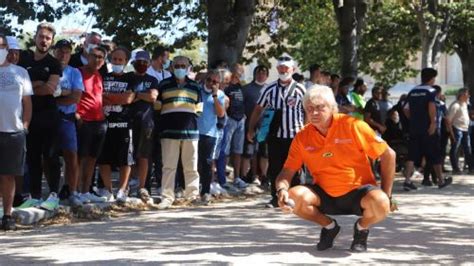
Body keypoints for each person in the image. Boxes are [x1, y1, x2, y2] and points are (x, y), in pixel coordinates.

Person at [275, 86, 396, 252]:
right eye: (310, 109)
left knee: (381, 203)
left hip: (358, 192)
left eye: (320, 107)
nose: (314, 113)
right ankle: (330, 227)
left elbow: (388, 154)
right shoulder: (302, 136)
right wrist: (281, 189)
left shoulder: (353, 125)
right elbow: (287, 171)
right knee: (294, 196)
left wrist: (387, 194)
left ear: (333, 108)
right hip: (324, 194)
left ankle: (361, 229)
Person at [247, 54, 306, 208]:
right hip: (275, 135)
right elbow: (258, 108)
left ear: (293, 69)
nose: (283, 70)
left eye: (286, 68)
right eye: (280, 67)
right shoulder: (270, 89)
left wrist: (308, 131)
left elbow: (308, 111)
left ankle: (296, 196)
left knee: (296, 167)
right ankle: (276, 197)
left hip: (296, 135)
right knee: (275, 166)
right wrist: (251, 128)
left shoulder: (300, 89)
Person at [18, 22, 62, 203]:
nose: (44, 41)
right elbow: (17, 86)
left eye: (48, 38)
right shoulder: (23, 58)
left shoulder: (53, 63)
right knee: (32, 157)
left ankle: (53, 195)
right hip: (28, 116)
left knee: (50, 156)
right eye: (41, 36)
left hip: (49, 116)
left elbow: (49, 89)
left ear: (52, 41)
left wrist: (28, 86)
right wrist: (37, 84)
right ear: (35, 37)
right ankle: (35, 196)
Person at [156, 56, 202, 209]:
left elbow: (199, 109)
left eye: (183, 65)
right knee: (169, 166)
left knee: (191, 167)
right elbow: (157, 107)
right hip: (169, 131)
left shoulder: (195, 86)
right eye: (177, 65)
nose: (180, 68)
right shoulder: (163, 84)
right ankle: (167, 197)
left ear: (188, 67)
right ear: (172, 67)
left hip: (191, 131)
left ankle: (192, 195)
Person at [0, 34, 33, 231]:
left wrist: (25, 125)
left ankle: (7, 215)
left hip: (13, 131)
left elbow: (27, 103)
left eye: (2, 45)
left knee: (8, 175)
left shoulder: (20, 72)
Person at [403, 68, 452, 190]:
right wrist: (433, 123)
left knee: (411, 155)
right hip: (428, 128)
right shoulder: (431, 91)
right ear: (431, 79)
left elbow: (405, 109)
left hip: (414, 128)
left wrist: (414, 120)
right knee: (434, 153)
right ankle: (440, 181)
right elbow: (431, 107)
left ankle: (407, 181)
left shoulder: (413, 91)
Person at [97, 47, 136, 203]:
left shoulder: (130, 78)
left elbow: (128, 99)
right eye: (114, 59)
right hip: (104, 123)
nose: (117, 62)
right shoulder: (103, 76)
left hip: (124, 124)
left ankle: (122, 189)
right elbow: (98, 97)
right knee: (104, 159)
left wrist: (109, 97)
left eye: (120, 60)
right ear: (110, 61)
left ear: (126, 62)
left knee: (125, 160)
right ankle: (108, 190)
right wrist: (117, 97)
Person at [52, 40, 84, 205]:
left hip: (67, 119)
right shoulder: (48, 69)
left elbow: (76, 97)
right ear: (54, 52)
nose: (63, 54)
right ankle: (52, 192)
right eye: (60, 51)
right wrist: (65, 93)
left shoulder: (75, 73)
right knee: (49, 156)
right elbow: (41, 93)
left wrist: (55, 97)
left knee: (71, 156)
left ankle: (73, 191)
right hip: (49, 119)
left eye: (67, 51)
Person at [76, 45, 109, 203]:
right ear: (87, 56)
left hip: (99, 122)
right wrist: (77, 115)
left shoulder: (99, 75)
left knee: (92, 159)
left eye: (100, 57)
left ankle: (85, 191)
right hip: (84, 121)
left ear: (103, 61)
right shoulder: (78, 72)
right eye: (94, 56)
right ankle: (74, 191)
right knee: (79, 159)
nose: (97, 59)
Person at [126, 51, 159, 202]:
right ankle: (128, 185)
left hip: (147, 122)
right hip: (128, 120)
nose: (142, 64)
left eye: (145, 62)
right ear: (133, 62)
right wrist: (140, 95)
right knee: (128, 155)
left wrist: (136, 95)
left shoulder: (152, 79)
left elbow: (153, 97)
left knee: (144, 155)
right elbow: (126, 97)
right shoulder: (128, 77)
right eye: (139, 61)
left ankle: (142, 187)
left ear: (149, 63)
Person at [197, 70, 226, 204]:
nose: (212, 84)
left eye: (215, 82)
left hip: (210, 133)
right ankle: (191, 189)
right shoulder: (197, 90)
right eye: (209, 80)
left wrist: (215, 96)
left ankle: (206, 191)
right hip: (194, 131)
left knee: (207, 162)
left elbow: (220, 114)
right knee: (193, 162)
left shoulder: (220, 95)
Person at [241, 65, 269, 185]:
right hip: (249, 125)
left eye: (263, 73)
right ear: (254, 74)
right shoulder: (246, 89)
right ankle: (244, 177)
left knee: (264, 153)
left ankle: (264, 176)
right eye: (258, 72)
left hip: (265, 126)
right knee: (248, 152)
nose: (261, 75)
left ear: (267, 75)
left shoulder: (270, 89)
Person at [224, 63, 248, 189]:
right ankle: (223, 178)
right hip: (230, 119)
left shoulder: (240, 87)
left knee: (238, 150)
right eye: (240, 71)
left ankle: (237, 177)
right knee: (226, 149)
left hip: (240, 120)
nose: (241, 73)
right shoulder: (227, 87)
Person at [448, 88, 473, 175]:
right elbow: (448, 120)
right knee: (455, 149)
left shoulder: (465, 104)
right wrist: (451, 133)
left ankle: (471, 168)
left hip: (465, 129)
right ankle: (455, 168)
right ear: (462, 95)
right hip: (457, 129)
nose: (469, 96)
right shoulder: (455, 105)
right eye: (467, 94)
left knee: (468, 149)